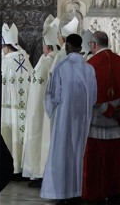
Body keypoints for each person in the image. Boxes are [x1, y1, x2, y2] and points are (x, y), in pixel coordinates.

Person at [41, 33, 96, 204]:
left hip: (64, 120)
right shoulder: (89, 69)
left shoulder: (61, 67)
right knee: (79, 153)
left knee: (62, 154)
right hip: (83, 120)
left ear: (67, 47)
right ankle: (77, 190)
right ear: (80, 48)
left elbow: (53, 96)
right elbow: (93, 97)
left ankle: (62, 192)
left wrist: (49, 107)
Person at [82, 30, 120, 201]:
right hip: (118, 121)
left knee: (95, 162)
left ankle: (94, 193)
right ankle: (116, 192)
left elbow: (88, 95)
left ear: (93, 45)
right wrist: (115, 110)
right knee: (115, 160)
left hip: (96, 121)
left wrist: (106, 109)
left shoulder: (90, 64)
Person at [22, 15, 60, 188]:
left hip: (42, 111)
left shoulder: (49, 62)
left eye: (44, 45)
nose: (42, 47)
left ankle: (41, 172)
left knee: (43, 140)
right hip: (37, 109)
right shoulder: (47, 60)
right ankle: (37, 172)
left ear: (48, 46)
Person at [0, 23, 30, 174]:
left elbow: (0, 85)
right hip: (24, 108)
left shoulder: (6, 62)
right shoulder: (26, 59)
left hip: (8, 108)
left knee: (8, 137)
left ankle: (9, 168)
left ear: (6, 47)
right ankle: (21, 166)